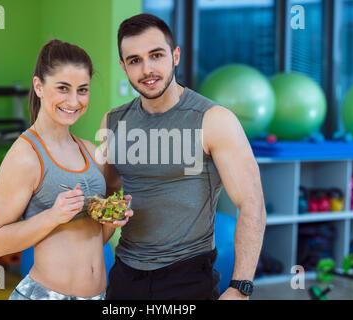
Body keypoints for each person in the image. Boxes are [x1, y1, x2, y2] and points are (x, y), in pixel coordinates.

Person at [100, 14, 266, 300]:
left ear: (175, 56)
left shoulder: (213, 120)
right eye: (135, 60)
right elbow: (106, 193)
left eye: (156, 55)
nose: (147, 69)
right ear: (123, 67)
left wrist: (241, 288)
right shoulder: (113, 121)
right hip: (125, 273)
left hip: (187, 277)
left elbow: (252, 204)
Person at [0, 39, 132, 300]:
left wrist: (111, 220)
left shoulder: (89, 151)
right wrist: (54, 215)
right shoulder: (25, 156)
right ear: (39, 86)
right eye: (63, 88)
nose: (74, 101)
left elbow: (92, 240)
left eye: (82, 90)